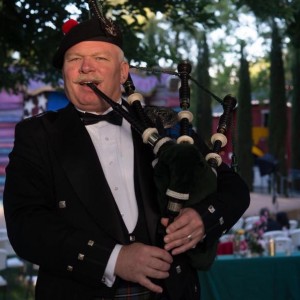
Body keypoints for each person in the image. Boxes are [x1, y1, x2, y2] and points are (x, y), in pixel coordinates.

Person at [3, 6, 250, 300]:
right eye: (75, 59)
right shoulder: (37, 136)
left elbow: (233, 188)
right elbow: (25, 226)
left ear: (122, 72)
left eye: (100, 58)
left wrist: (203, 217)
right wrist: (113, 258)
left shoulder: (165, 124)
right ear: (65, 72)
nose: (86, 68)